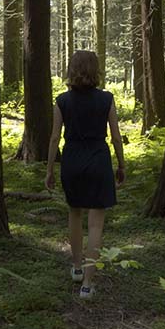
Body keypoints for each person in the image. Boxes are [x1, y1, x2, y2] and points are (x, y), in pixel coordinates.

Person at [45, 50, 125, 299]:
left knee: (75, 214)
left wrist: (49, 169)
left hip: (71, 161)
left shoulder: (62, 101)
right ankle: (88, 285)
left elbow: (55, 137)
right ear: (96, 70)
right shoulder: (106, 99)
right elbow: (115, 136)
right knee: (96, 223)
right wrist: (122, 165)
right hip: (99, 161)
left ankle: (77, 268)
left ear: (72, 70)